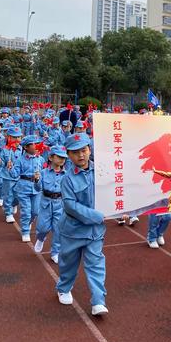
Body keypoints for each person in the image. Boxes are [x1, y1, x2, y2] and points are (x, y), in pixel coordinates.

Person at [56, 133, 108, 316]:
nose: (81, 155)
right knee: (68, 264)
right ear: (68, 155)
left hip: (95, 231)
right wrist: (97, 215)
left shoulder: (102, 170)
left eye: (84, 150)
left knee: (96, 264)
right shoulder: (67, 179)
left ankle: (98, 301)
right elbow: (71, 206)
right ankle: (63, 287)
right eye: (76, 152)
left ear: (89, 150)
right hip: (73, 231)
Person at [34, 145, 67, 264]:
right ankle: (41, 238)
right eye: (59, 157)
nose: (62, 159)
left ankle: (55, 252)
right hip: (46, 203)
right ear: (51, 157)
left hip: (60, 203)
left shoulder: (66, 174)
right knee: (42, 227)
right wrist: (37, 180)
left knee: (58, 229)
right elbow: (38, 188)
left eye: (64, 157)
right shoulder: (43, 172)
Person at [11, 135, 44, 242]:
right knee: (26, 210)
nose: (36, 146)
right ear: (26, 147)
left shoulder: (41, 158)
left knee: (35, 211)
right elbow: (15, 174)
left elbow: (43, 172)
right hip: (24, 187)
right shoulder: (20, 160)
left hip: (37, 188)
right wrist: (10, 168)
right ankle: (25, 231)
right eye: (34, 144)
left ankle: (28, 222)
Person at [0, 126, 23, 223]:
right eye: (14, 137)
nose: (16, 139)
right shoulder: (5, 150)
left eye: (18, 137)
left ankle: (13, 204)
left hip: (19, 177)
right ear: (9, 138)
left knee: (18, 195)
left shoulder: (23, 150)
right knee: (8, 195)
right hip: (7, 177)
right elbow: (1, 163)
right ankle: (8, 213)